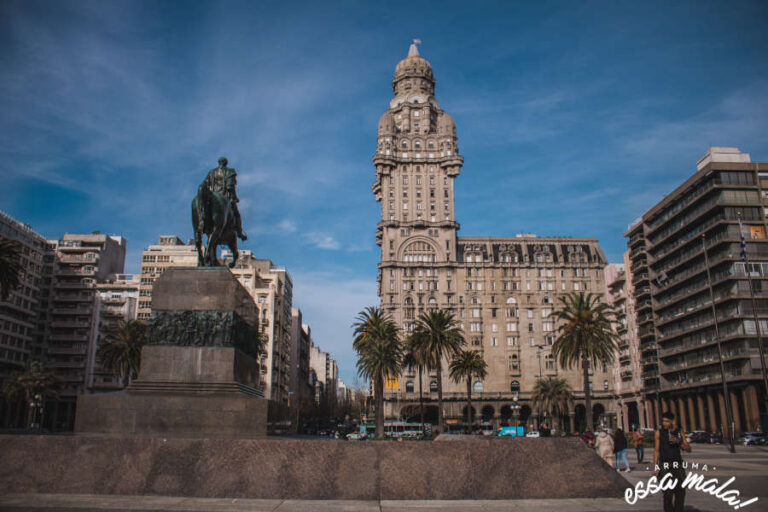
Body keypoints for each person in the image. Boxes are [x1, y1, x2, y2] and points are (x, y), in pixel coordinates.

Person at [653, 411, 691, 512]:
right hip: (664, 465)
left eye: (667, 421)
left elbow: (688, 449)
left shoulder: (679, 432)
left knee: (680, 491)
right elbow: (656, 451)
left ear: (672, 421)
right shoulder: (659, 432)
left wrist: (678, 442)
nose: (664, 423)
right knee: (667, 492)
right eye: (663, 421)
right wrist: (655, 467)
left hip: (677, 464)